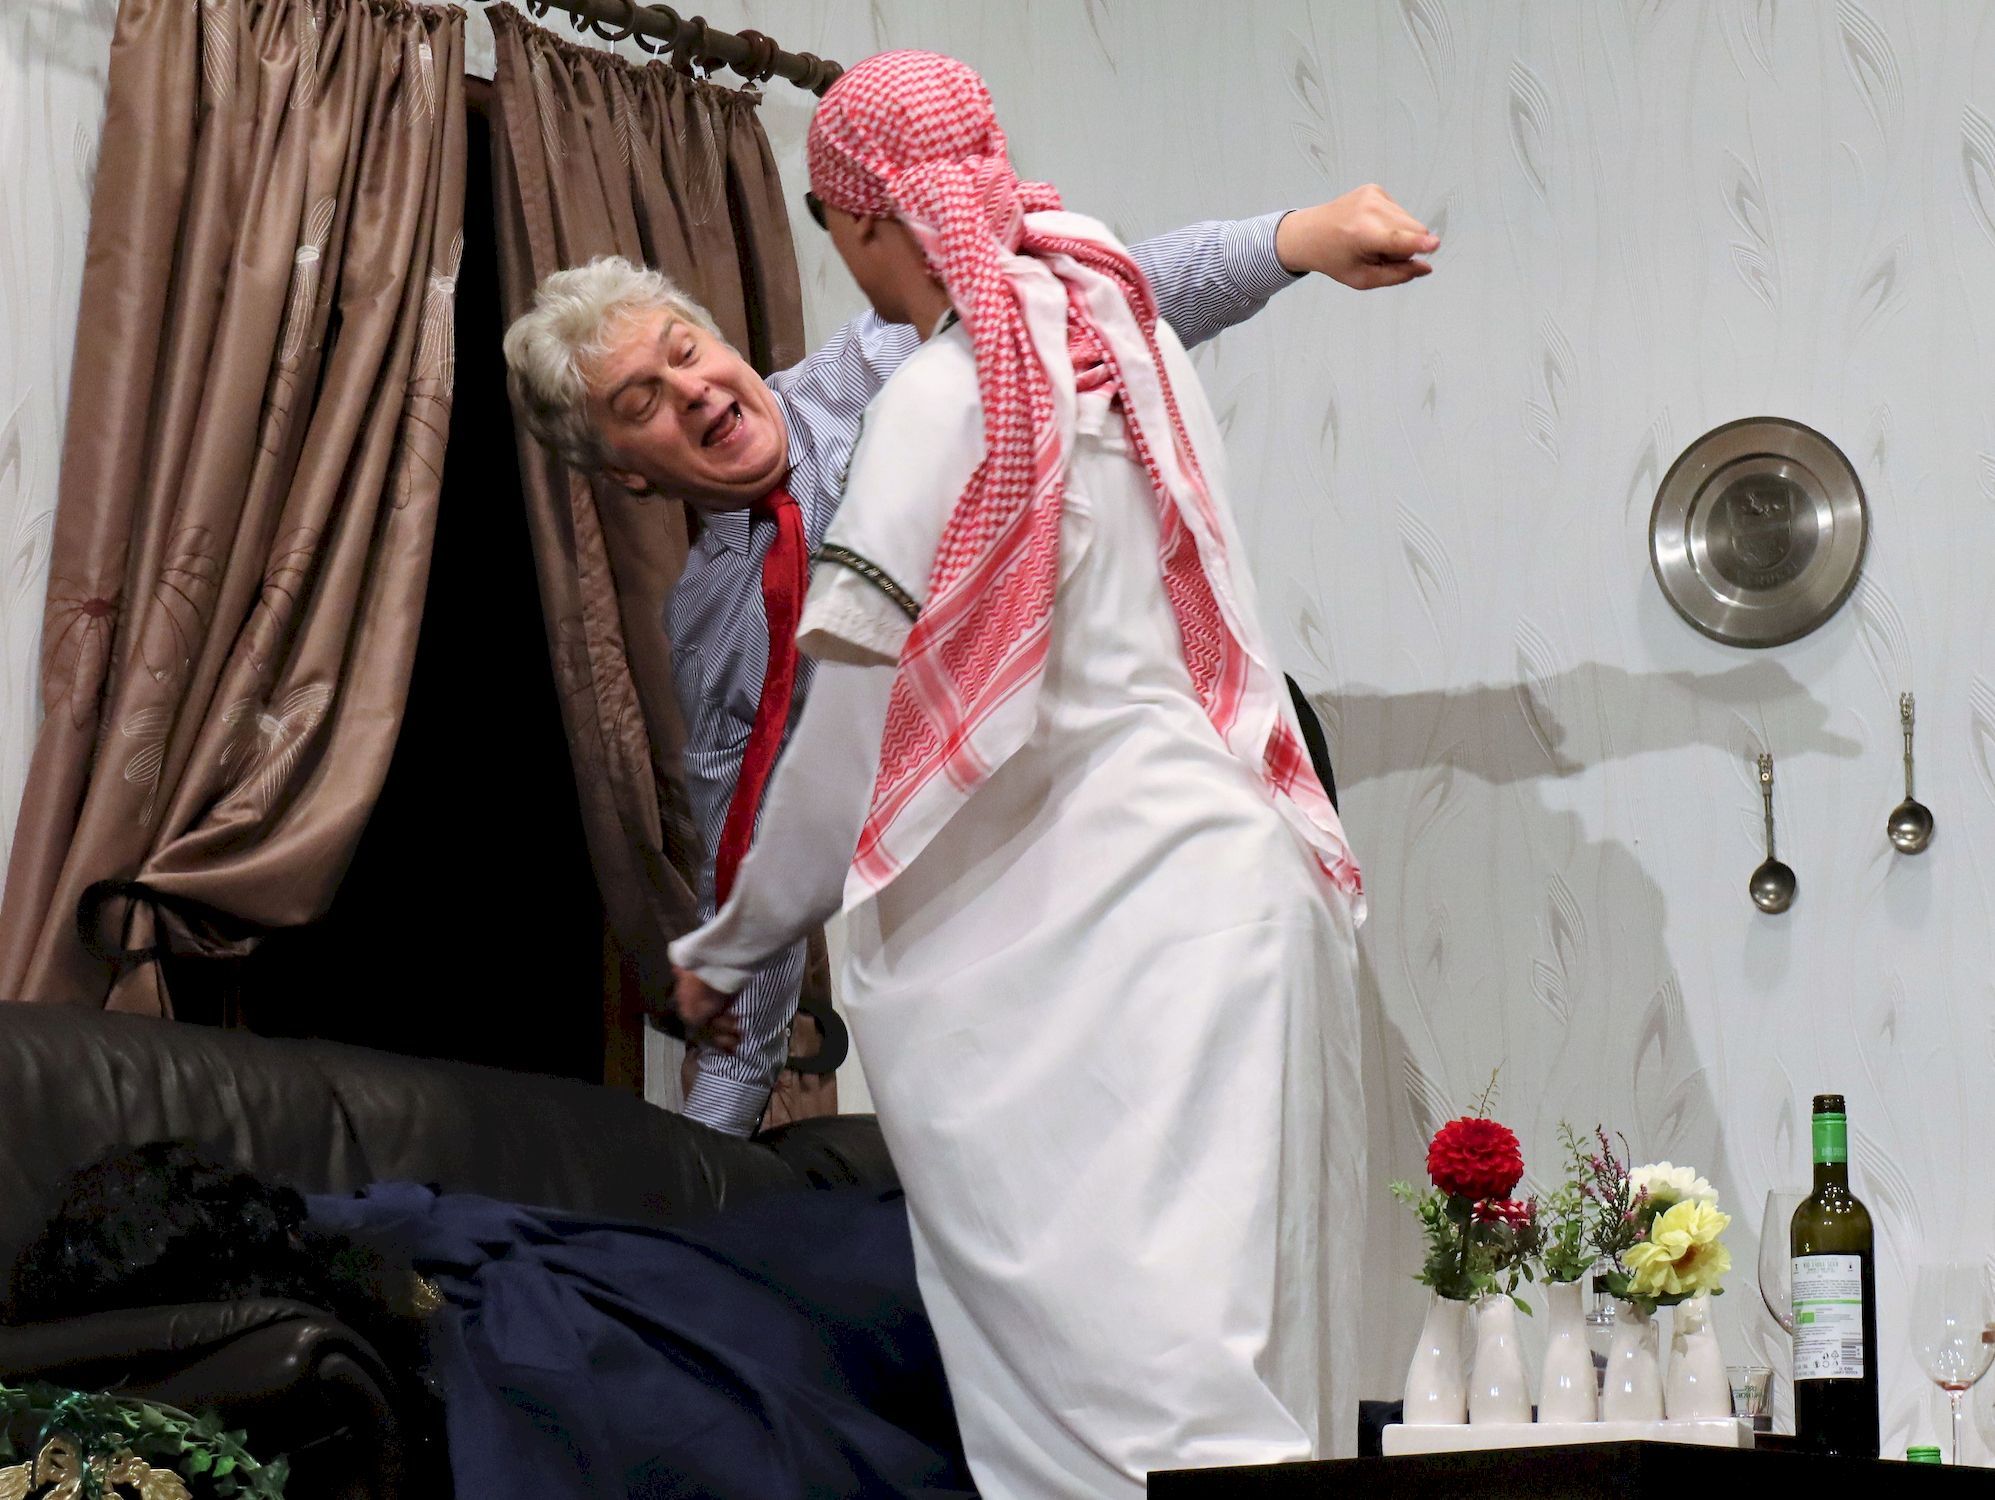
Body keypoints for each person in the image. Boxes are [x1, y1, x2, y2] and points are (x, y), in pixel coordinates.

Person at [668, 49, 1423, 1495]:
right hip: (1250, 902)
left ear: (863, 218)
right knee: (1264, 1397)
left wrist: (739, 939)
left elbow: (845, 742)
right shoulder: (1127, 357)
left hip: (1096, 962)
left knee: (1132, 1427)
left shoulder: (940, 404)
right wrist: (1301, 235)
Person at [502, 149, 1434, 1140]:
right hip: (1012, 886)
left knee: (1224, 1115)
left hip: (1167, 772)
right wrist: (701, 1153)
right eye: (640, 401)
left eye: (684, 349)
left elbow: (1107, 302)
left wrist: (1295, 240)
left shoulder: (889, 360)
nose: (688, 389)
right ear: (626, 473)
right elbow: (753, 871)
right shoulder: (716, 633)